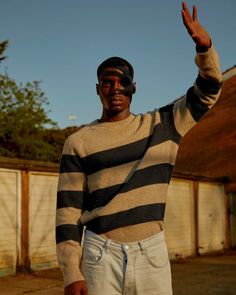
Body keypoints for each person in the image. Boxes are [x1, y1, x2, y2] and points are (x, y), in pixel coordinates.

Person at [56, 2, 223, 294]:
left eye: (124, 81)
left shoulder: (163, 124)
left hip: (151, 253)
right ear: (97, 89)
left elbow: (209, 90)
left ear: (134, 87)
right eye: (107, 82)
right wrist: (71, 271)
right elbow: (68, 212)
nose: (116, 88)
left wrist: (205, 47)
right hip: (99, 253)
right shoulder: (78, 142)